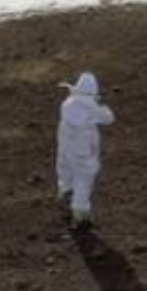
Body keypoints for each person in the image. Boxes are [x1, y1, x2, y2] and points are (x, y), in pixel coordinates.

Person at [56, 73, 113, 225]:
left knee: (66, 173)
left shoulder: (66, 104)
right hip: (83, 153)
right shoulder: (91, 109)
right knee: (84, 179)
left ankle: (66, 193)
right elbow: (108, 118)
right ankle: (80, 213)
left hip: (65, 149)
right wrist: (99, 106)